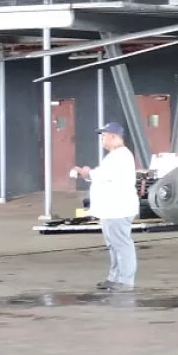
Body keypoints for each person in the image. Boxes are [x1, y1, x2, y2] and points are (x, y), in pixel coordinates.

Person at [74, 122, 138, 293]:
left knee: (122, 245)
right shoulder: (115, 156)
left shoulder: (121, 156)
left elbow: (105, 175)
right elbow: (103, 177)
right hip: (110, 210)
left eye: (104, 136)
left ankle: (125, 281)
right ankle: (115, 278)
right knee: (114, 246)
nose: (102, 140)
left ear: (114, 137)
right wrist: (89, 175)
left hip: (118, 210)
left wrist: (88, 173)